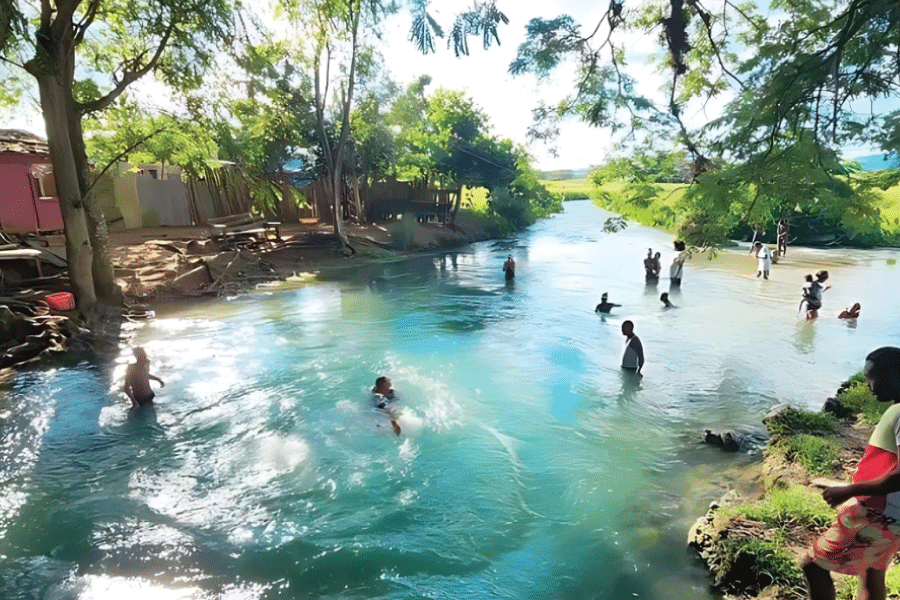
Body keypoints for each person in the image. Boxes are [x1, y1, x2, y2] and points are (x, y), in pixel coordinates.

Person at [802, 347, 900, 600]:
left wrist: (849, 490)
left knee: (813, 565)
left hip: (878, 512)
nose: (869, 385)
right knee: (871, 570)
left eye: (872, 377)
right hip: (893, 515)